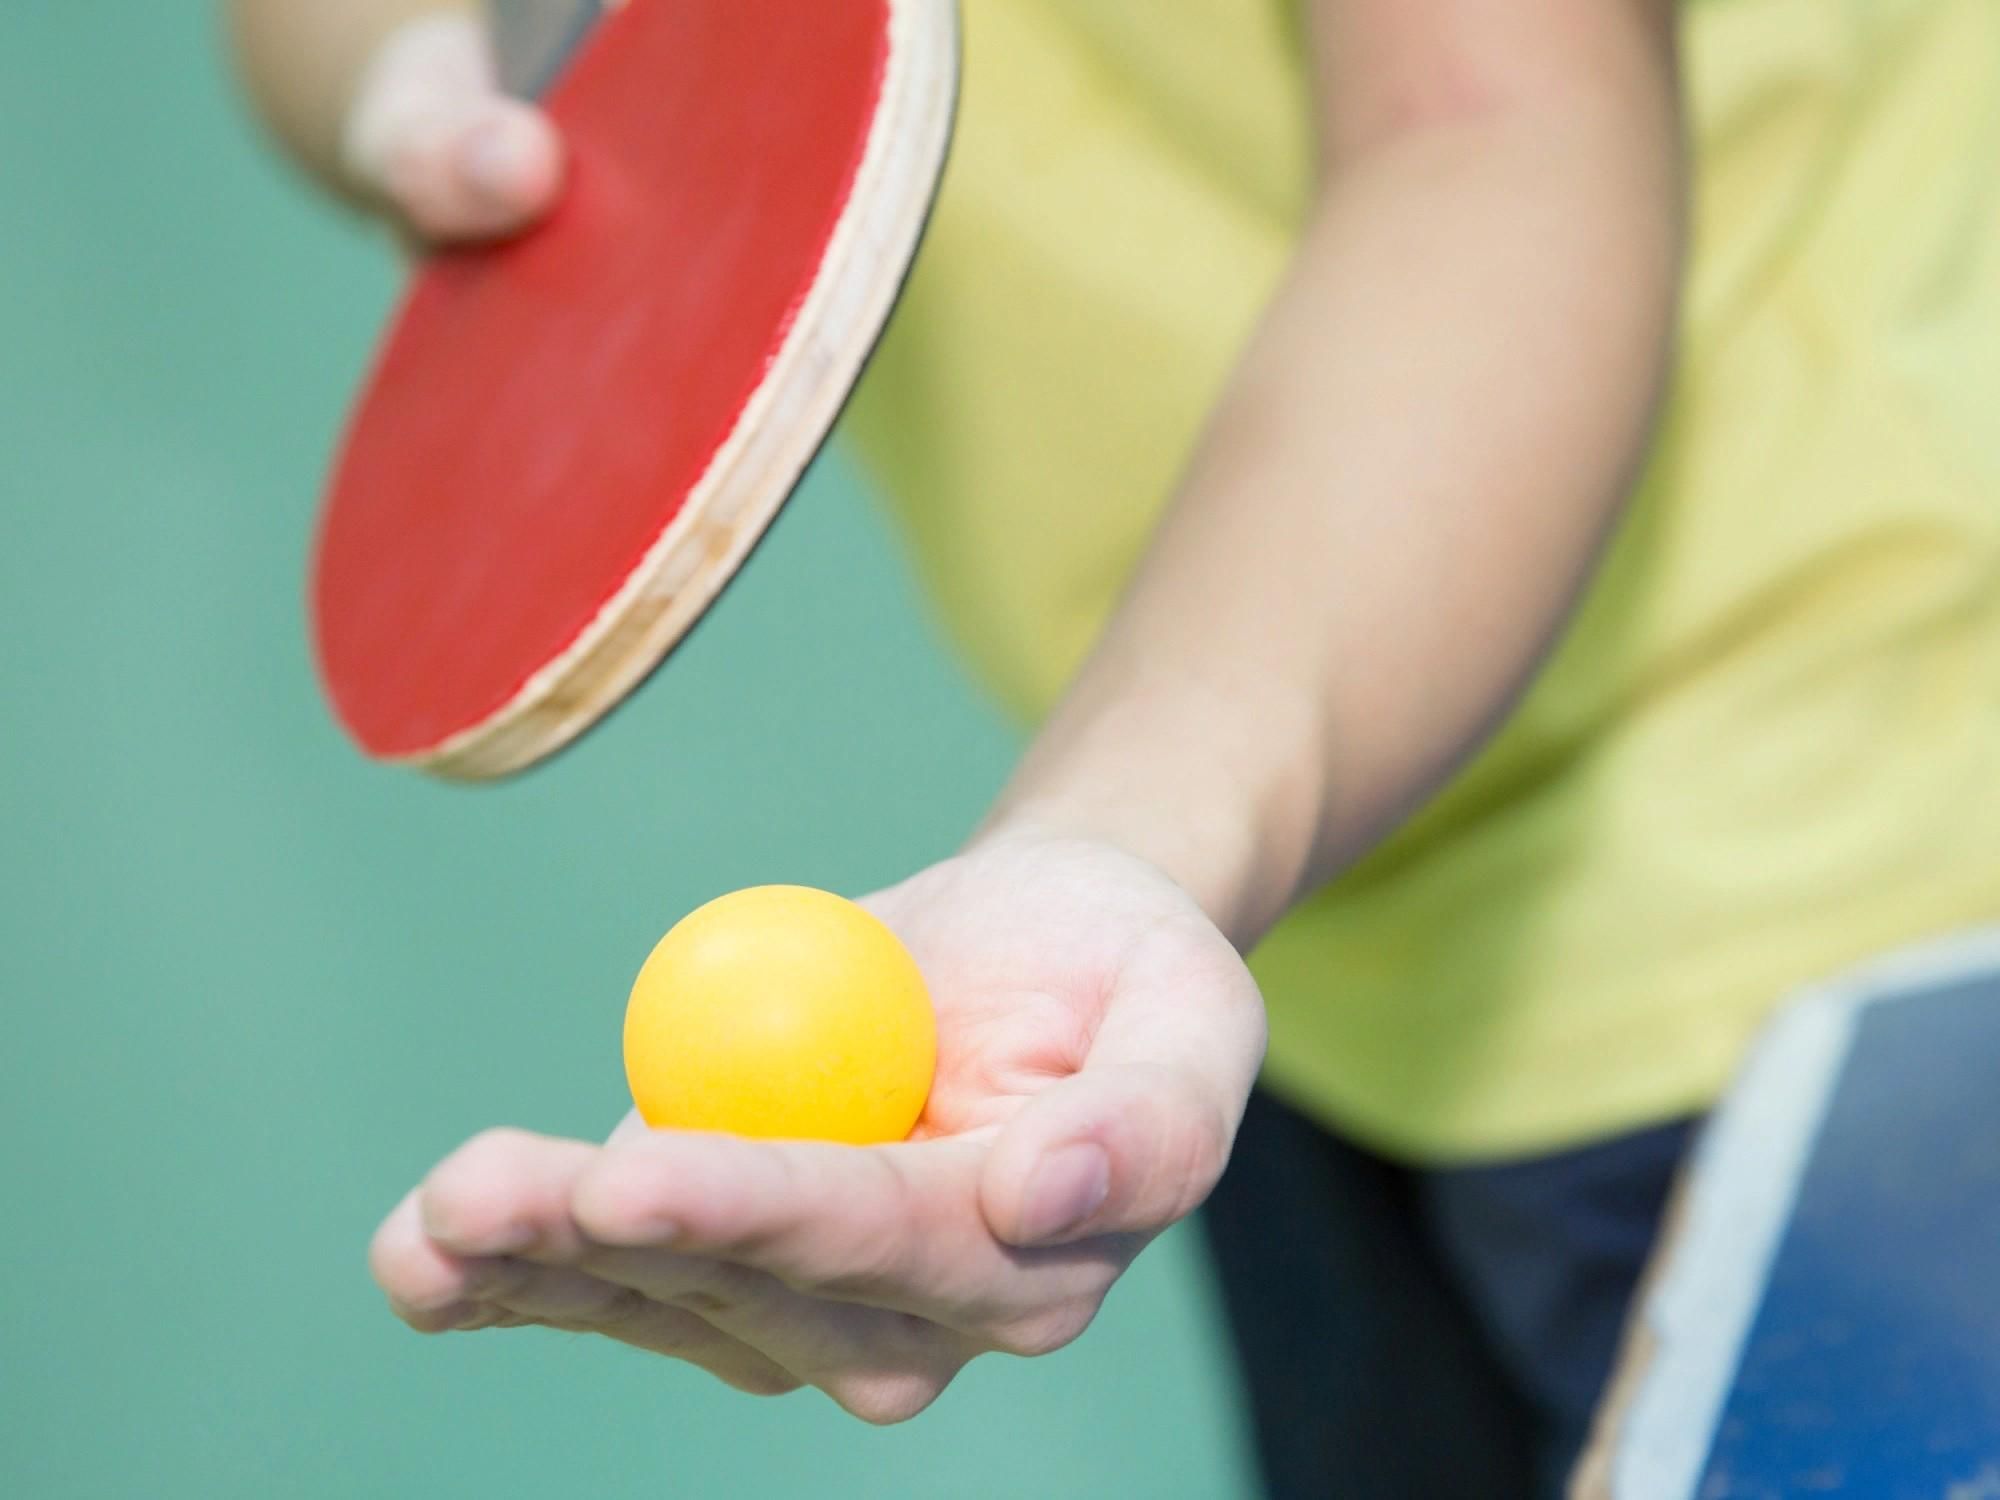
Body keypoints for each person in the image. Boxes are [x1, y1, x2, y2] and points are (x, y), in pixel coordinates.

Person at [225, 2, 2000, 1495]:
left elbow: (1486, 124)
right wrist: (411, 85)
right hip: (1273, 942)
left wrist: (1118, 851)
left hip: (1820, 876)